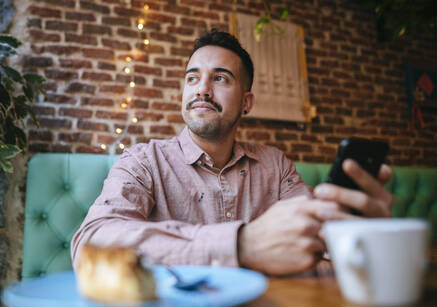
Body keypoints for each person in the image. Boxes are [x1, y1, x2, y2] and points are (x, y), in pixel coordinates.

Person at [71, 29, 393, 275]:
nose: (202, 89)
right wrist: (241, 245)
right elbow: (91, 244)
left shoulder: (275, 165)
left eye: (220, 78)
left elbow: (314, 238)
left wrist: (360, 232)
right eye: (193, 77)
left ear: (246, 103)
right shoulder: (143, 161)